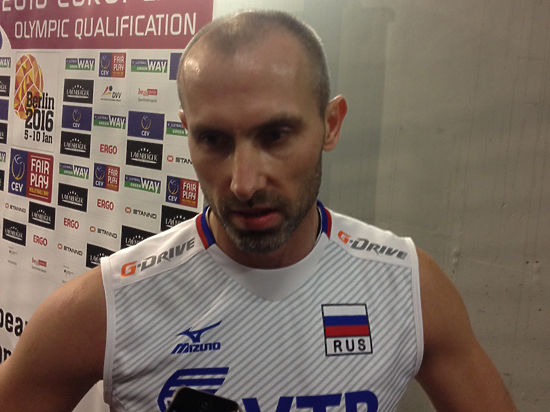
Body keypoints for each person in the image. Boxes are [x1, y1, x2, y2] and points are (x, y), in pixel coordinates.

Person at [0, 10, 516, 412]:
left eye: (276, 135)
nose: (243, 183)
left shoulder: (407, 287)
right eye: (213, 140)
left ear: (331, 124)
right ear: (187, 131)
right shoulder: (107, 304)